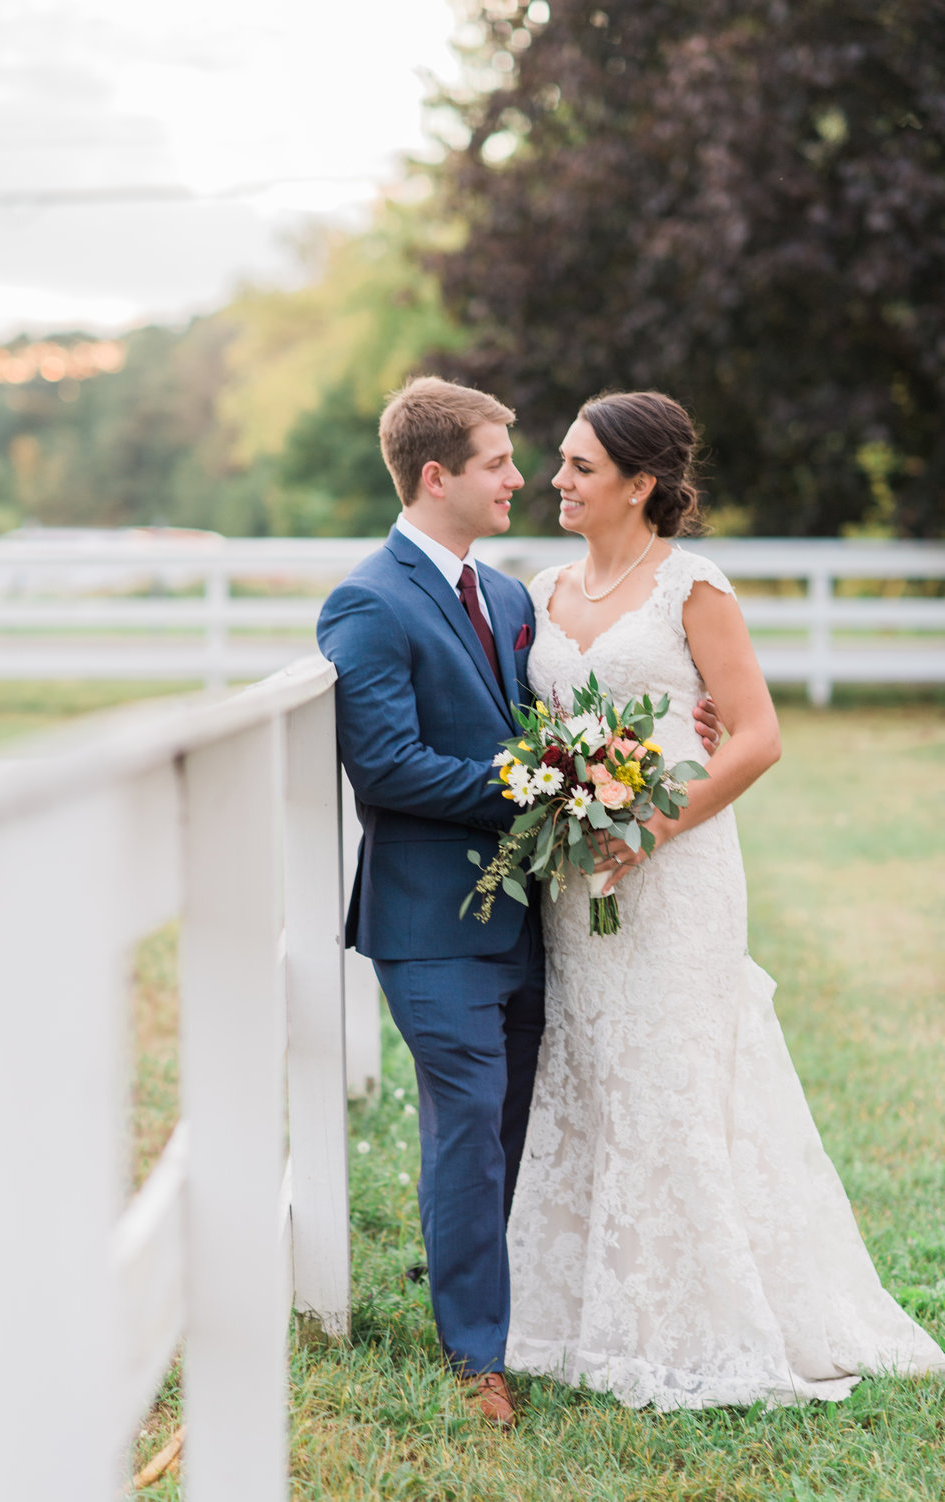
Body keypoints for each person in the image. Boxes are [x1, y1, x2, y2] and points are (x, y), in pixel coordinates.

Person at [504, 388, 945, 1408]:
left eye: (577, 466)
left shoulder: (693, 586)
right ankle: (580, 1306)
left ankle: (699, 1314)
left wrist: (649, 826)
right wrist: (570, 804)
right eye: (559, 461)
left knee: (675, 1066)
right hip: (576, 877)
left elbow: (753, 733)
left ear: (639, 484)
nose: (555, 480)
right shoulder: (543, 587)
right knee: (593, 1063)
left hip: (679, 869)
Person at [317, 376, 719, 1428]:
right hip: (427, 921)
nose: (522, 478)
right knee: (466, 1123)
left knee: (512, 1122)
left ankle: (484, 1292)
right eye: (500, 461)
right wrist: (543, 784)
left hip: (527, 915)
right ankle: (475, 1356)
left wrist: (661, 738)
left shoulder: (508, 599)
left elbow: (574, 702)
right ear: (438, 474)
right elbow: (391, 767)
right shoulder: (367, 600)